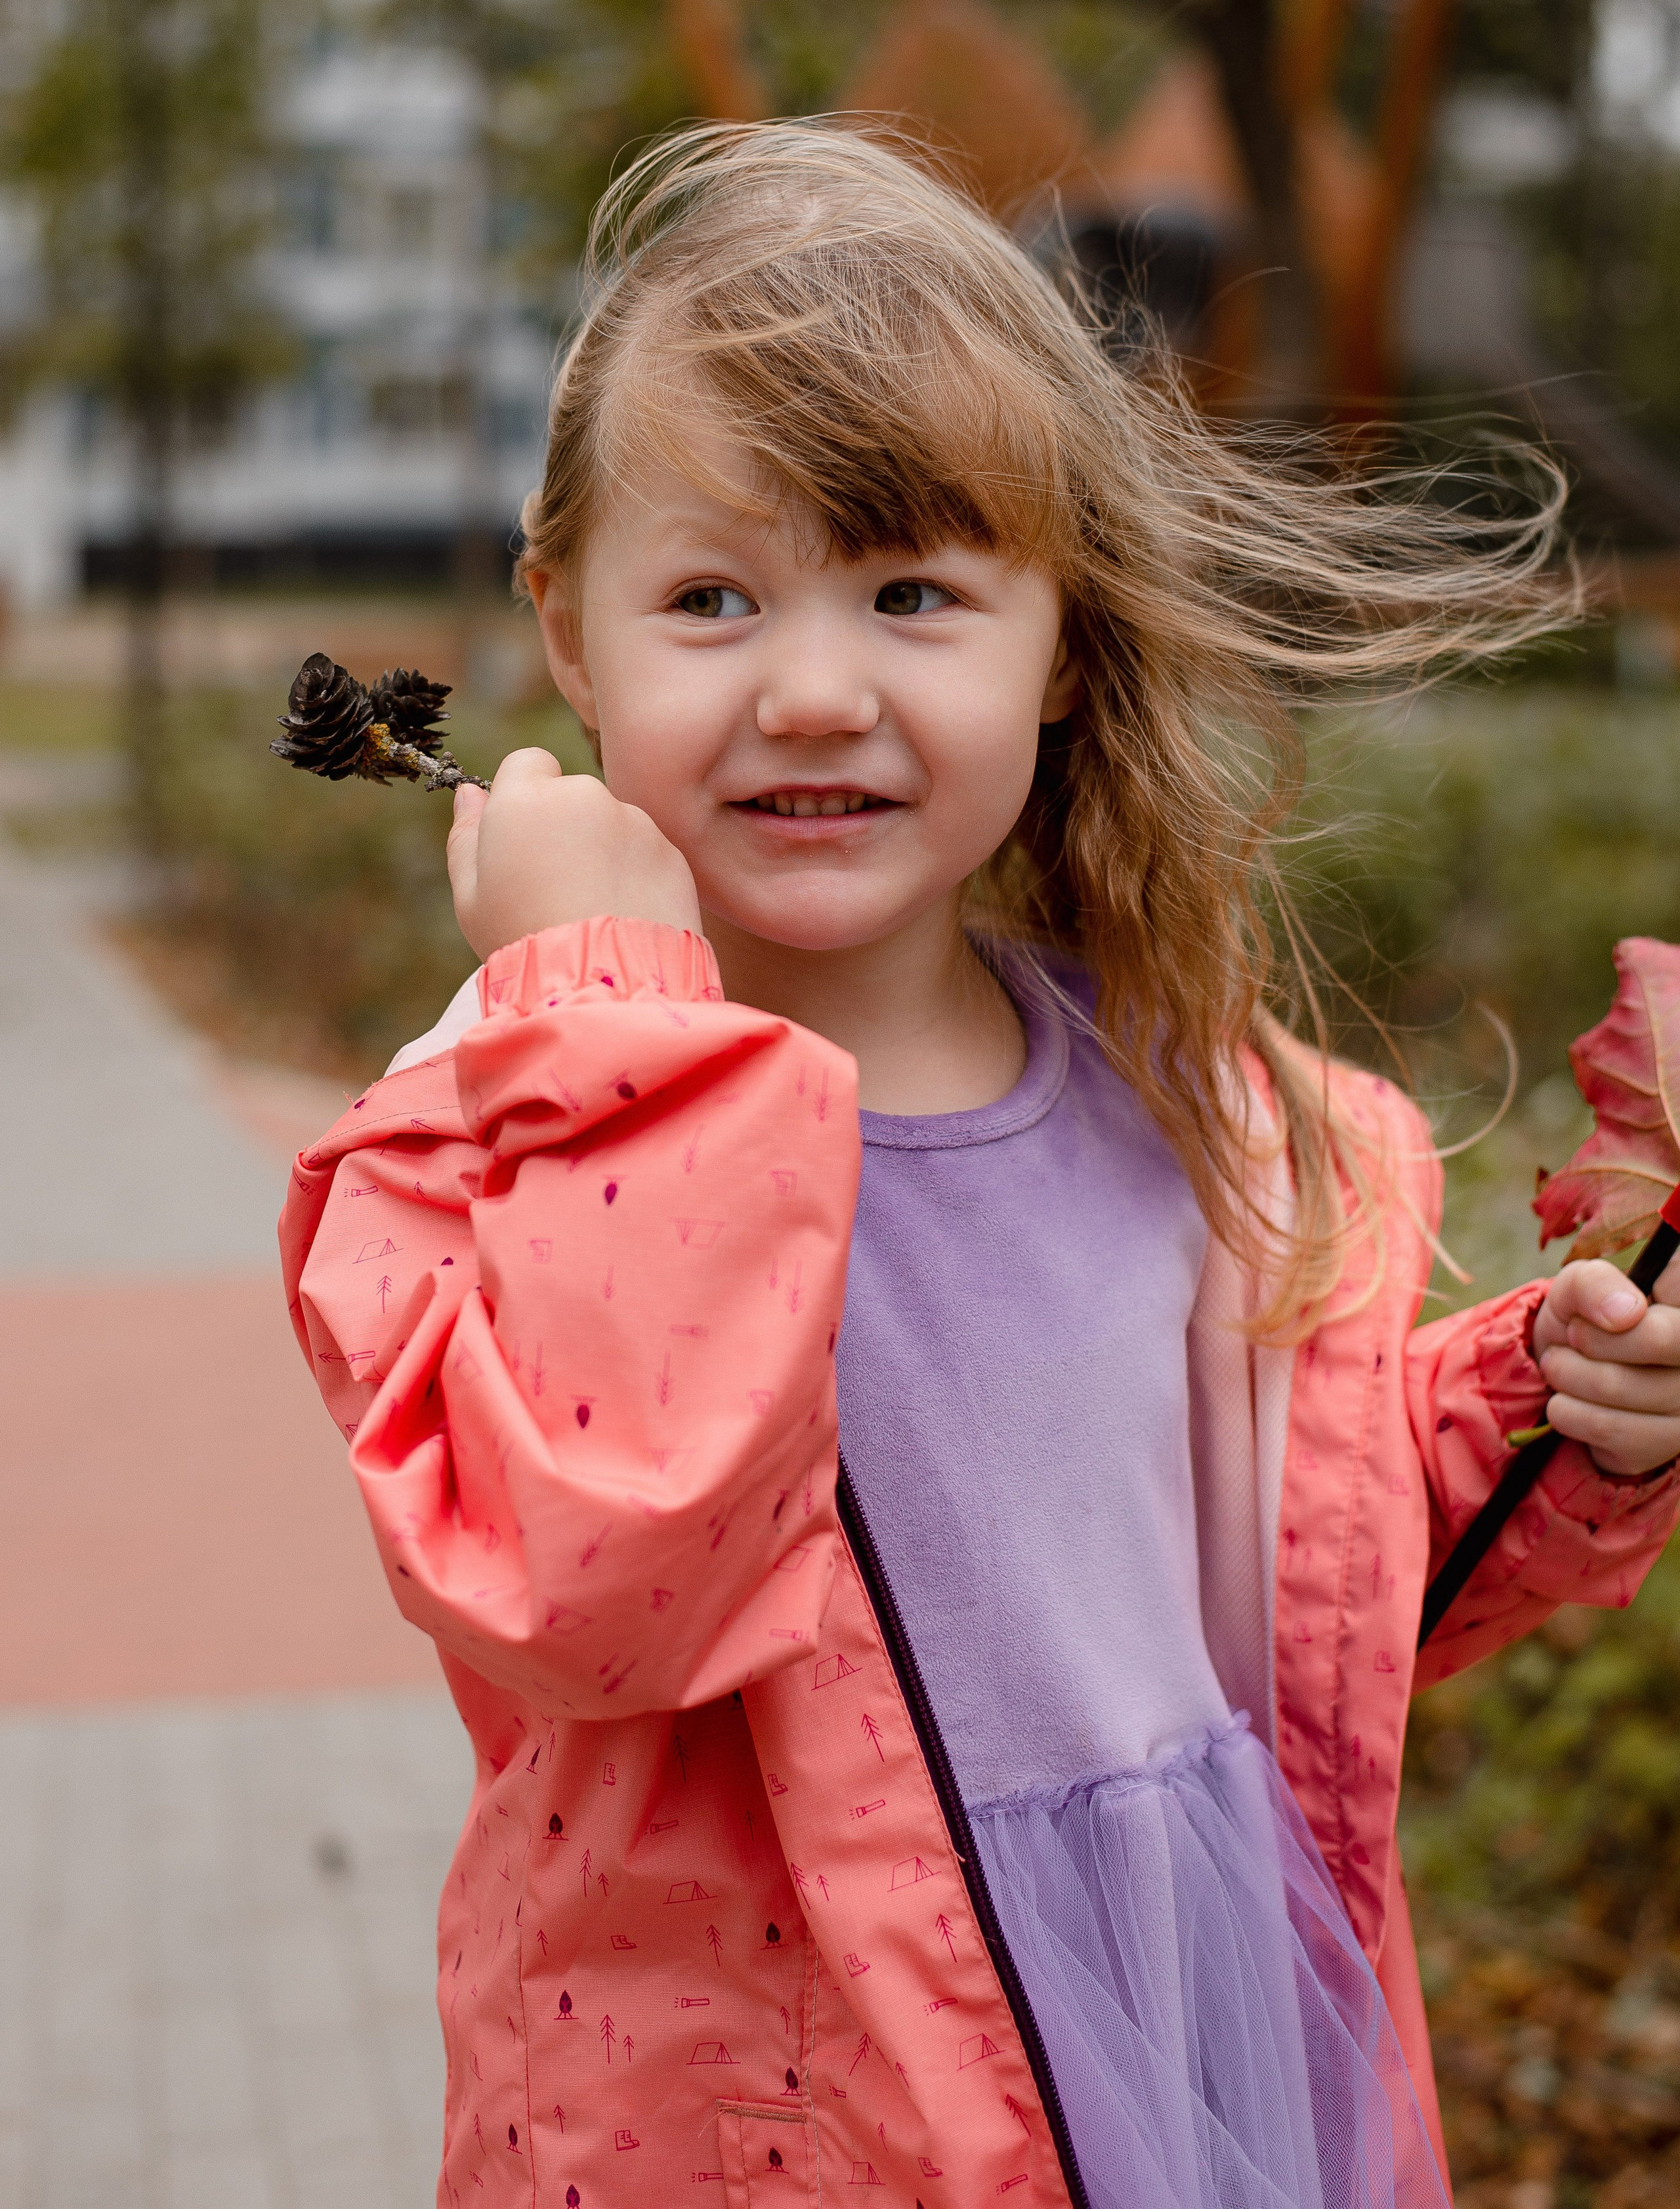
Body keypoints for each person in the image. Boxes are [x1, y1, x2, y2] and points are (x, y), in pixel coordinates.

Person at [281, 124, 1680, 2209]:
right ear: (566, 628)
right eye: (711, 596)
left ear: (1060, 639)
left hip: (1215, 2047)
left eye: (917, 590)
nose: (817, 686)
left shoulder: (1187, 1106)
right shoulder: (493, 1126)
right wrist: (605, 1014)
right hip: (794, 2124)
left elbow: (1282, 1584)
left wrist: (1560, 1418)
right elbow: (605, 1587)